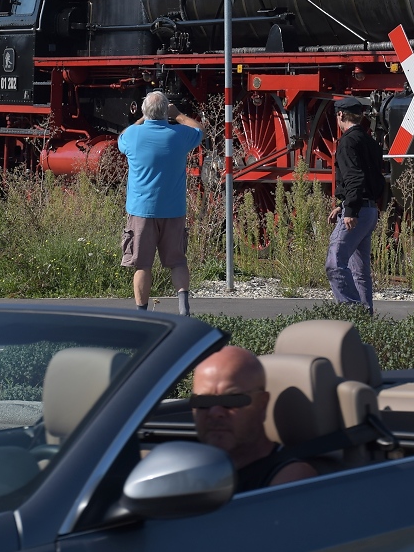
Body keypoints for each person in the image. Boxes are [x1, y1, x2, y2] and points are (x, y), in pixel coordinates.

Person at [117, 90, 203, 315]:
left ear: (145, 112)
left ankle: (141, 313)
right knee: (177, 262)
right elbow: (199, 130)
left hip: (141, 211)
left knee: (142, 265)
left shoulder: (132, 136)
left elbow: (121, 136)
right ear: (166, 112)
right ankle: (184, 310)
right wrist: (179, 115)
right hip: (174, 210)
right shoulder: (179, 135)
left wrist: (141, 120)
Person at [190, 346, 318, 492]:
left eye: (232, 400)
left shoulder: (289, 477)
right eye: (203, 401)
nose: (215, 412)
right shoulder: (188, 467)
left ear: (262, 404)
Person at [325, 96, 386, 314]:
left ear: (340, 115)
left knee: (335, 262)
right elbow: (373, 180)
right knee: (359, 270)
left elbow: (355, 178)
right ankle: (365, 316)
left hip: (357, 212)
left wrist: (349, 209)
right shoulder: (370, 142)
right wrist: (344, 205)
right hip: (369, 210)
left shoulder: (347, 143)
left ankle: (352, 312)